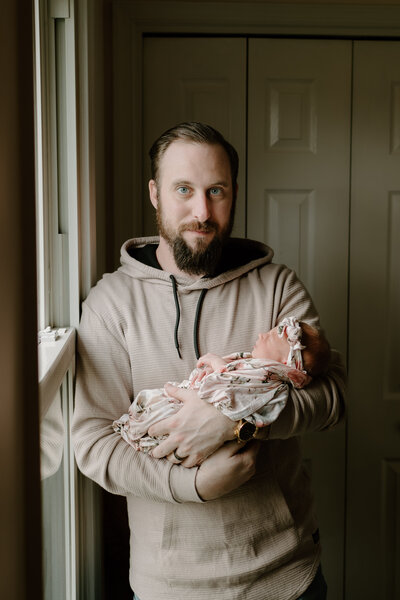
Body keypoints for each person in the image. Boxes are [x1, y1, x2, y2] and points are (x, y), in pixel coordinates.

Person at [72, 122, 345, 600]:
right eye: (184, 190)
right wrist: (193, 485)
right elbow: (94, 443)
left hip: (288, 577)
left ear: (234, 192)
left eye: (216, 191)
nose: (202, 212)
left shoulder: (277, 286)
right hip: (169, 587)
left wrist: (235, 421)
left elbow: (331, 397)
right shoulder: (110, 304)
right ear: (155, 194)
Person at [113, 317, 331, 455]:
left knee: (158, 411)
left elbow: (231, 388)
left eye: (271, 337)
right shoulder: (259, 369)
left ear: (285, 363)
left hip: (276, 516)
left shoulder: (266, 377)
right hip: (158, 517)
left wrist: (218, 365)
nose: (261, 335)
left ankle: (138, 429)